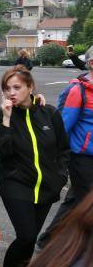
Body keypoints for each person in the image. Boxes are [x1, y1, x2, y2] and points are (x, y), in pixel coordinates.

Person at [0, 66, 69, 267]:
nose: (11, 93)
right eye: (7, 88)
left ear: (30, 88)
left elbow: (63, 148)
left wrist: (60, 175)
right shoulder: (1, 116)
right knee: (25, 236)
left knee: (31, 236)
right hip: (16, 184)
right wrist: (5, 119)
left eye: (17, 87)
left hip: (46, 187)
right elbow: (2, 152)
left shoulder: (49, 113)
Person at [40, 47, 93, 246]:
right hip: (80, 156)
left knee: (75, 200)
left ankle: (48, 239)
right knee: (87, 201)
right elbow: (64, 127)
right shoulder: (77, 90)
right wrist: (57, 158)